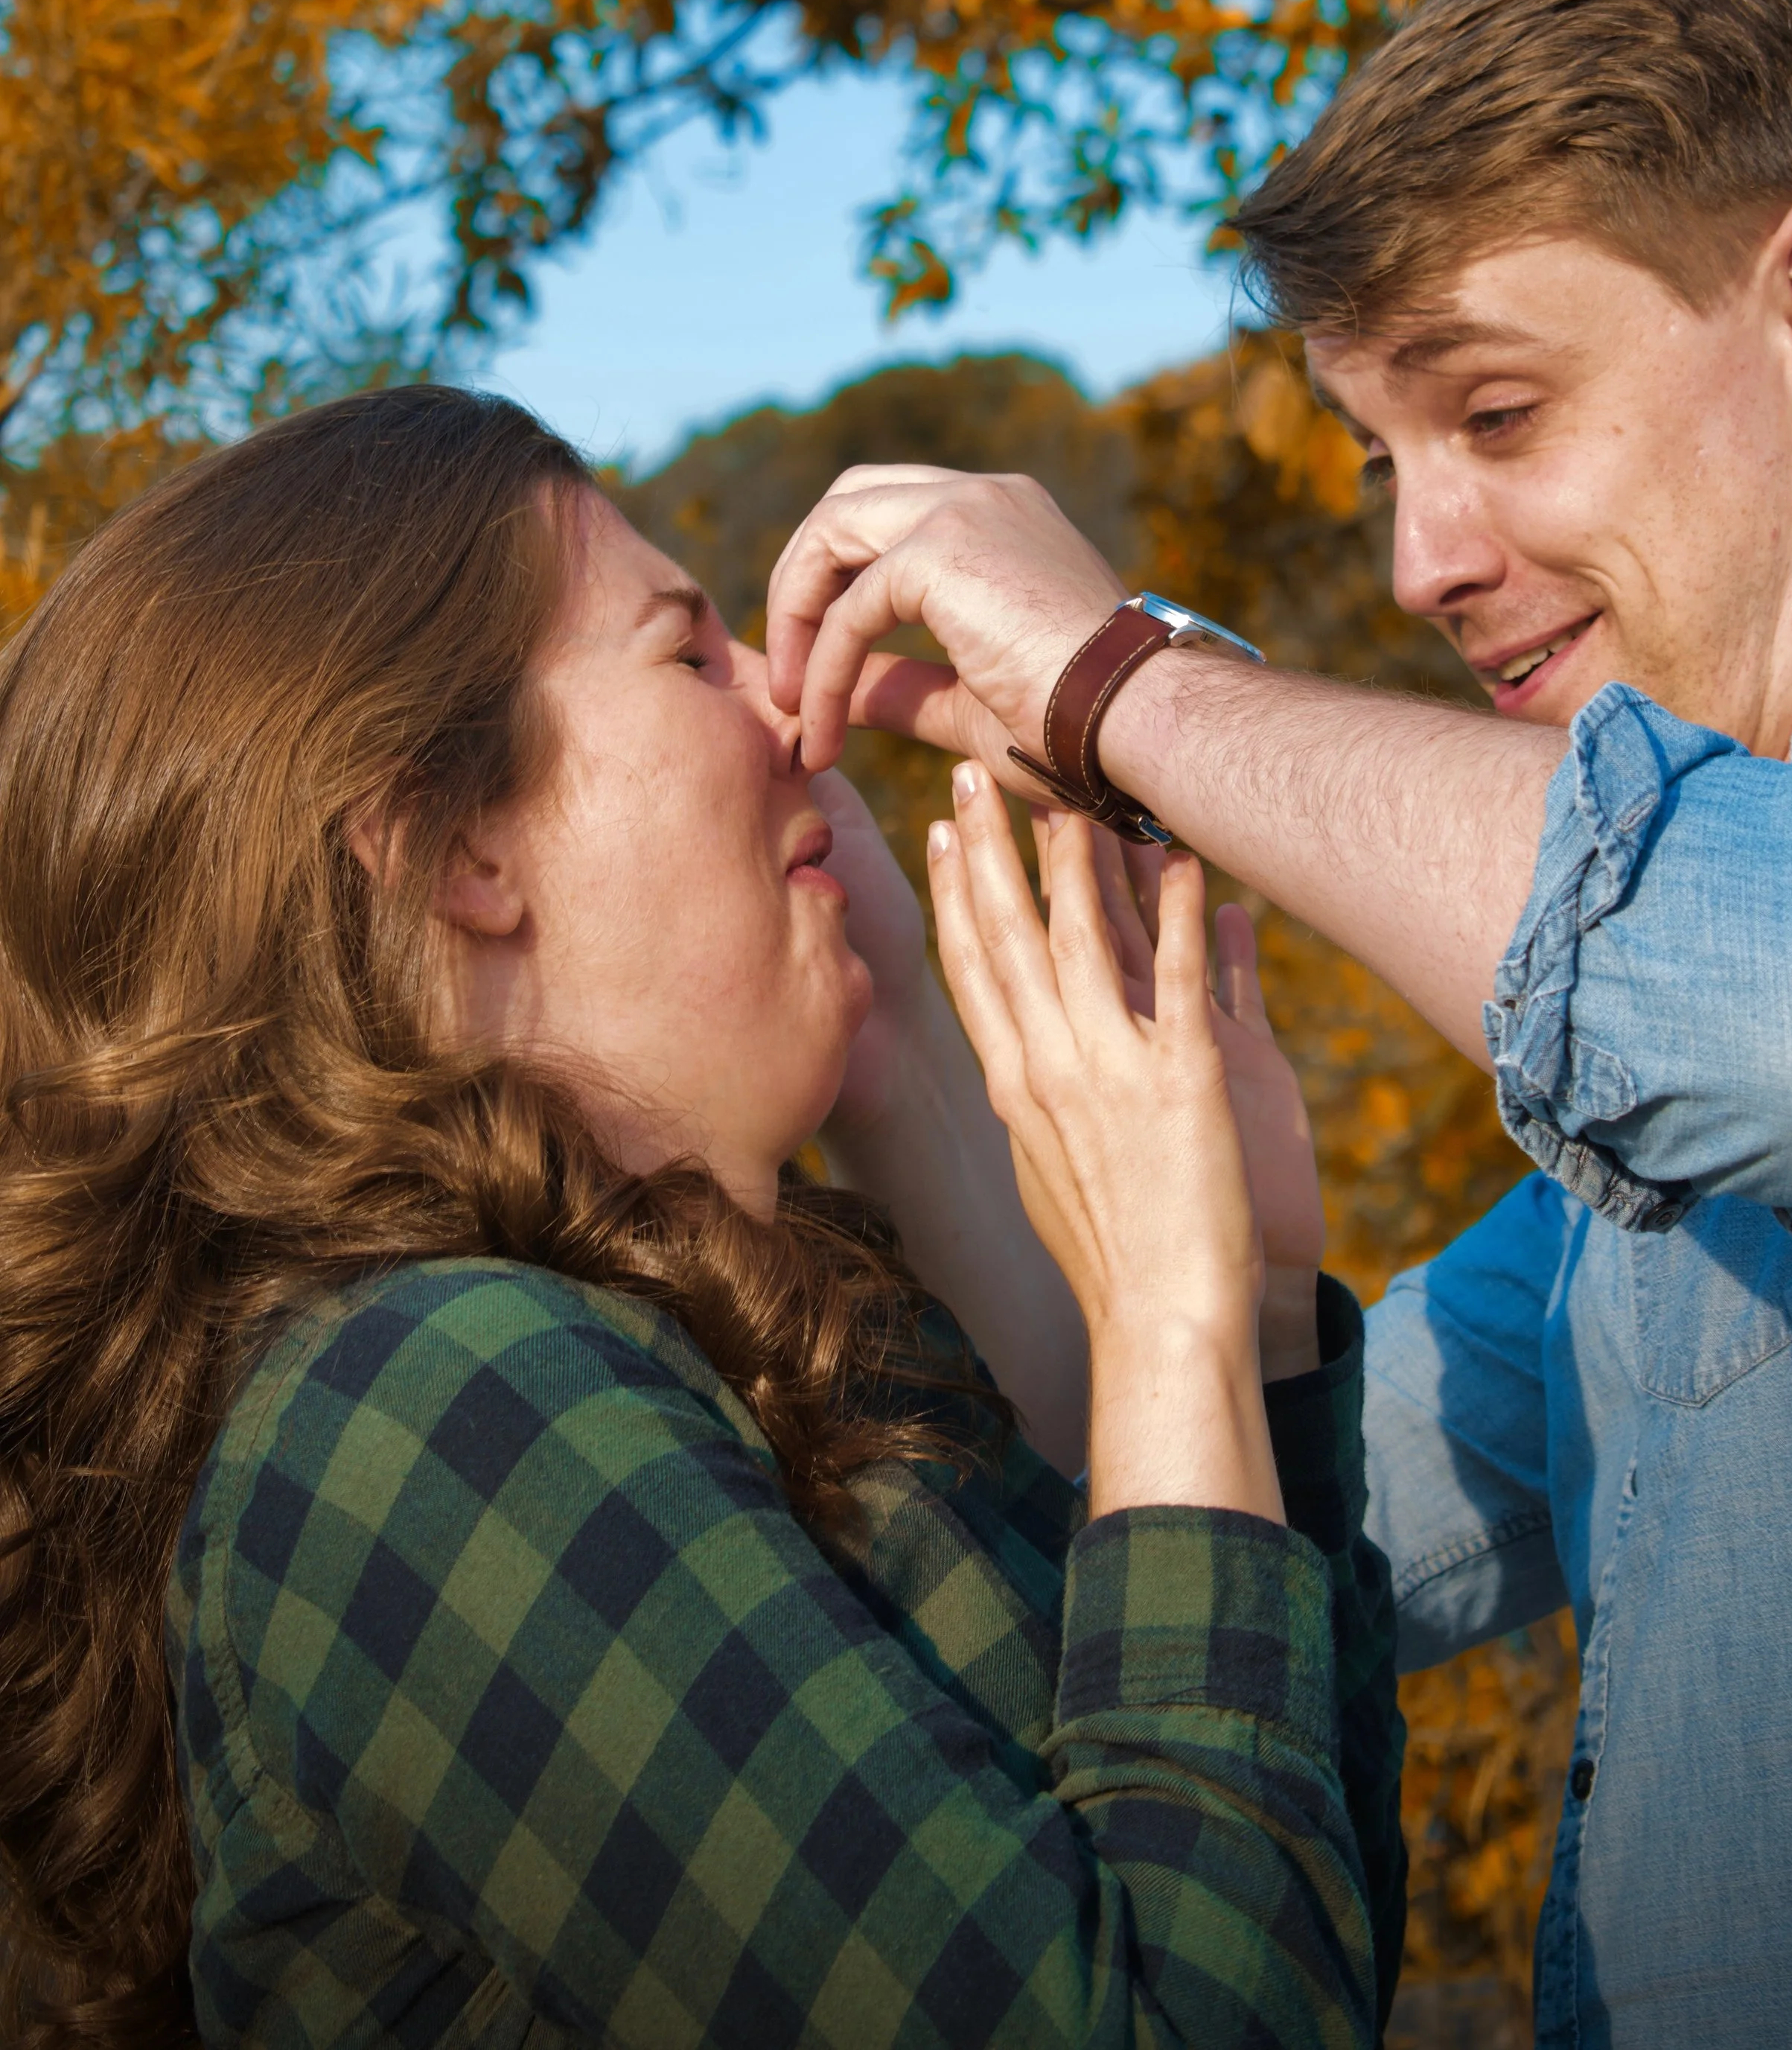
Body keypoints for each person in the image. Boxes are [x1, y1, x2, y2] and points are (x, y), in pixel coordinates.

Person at [765, 0, 1792, 2050]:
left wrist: (1127, 687)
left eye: (1496, 408)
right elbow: (1227, 1518)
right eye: (1382, 459)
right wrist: (894, 1002)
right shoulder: (1642, 1186)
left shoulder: (1773, 999)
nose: (1415, 558)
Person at [0, 383, 1400, 2048]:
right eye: (687, 653)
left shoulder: (740, 1345)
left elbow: (1285, 1918)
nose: (793, 717)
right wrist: (1166, 1314)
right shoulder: (431, 1405)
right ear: (457, 847)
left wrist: (1243, 1316)